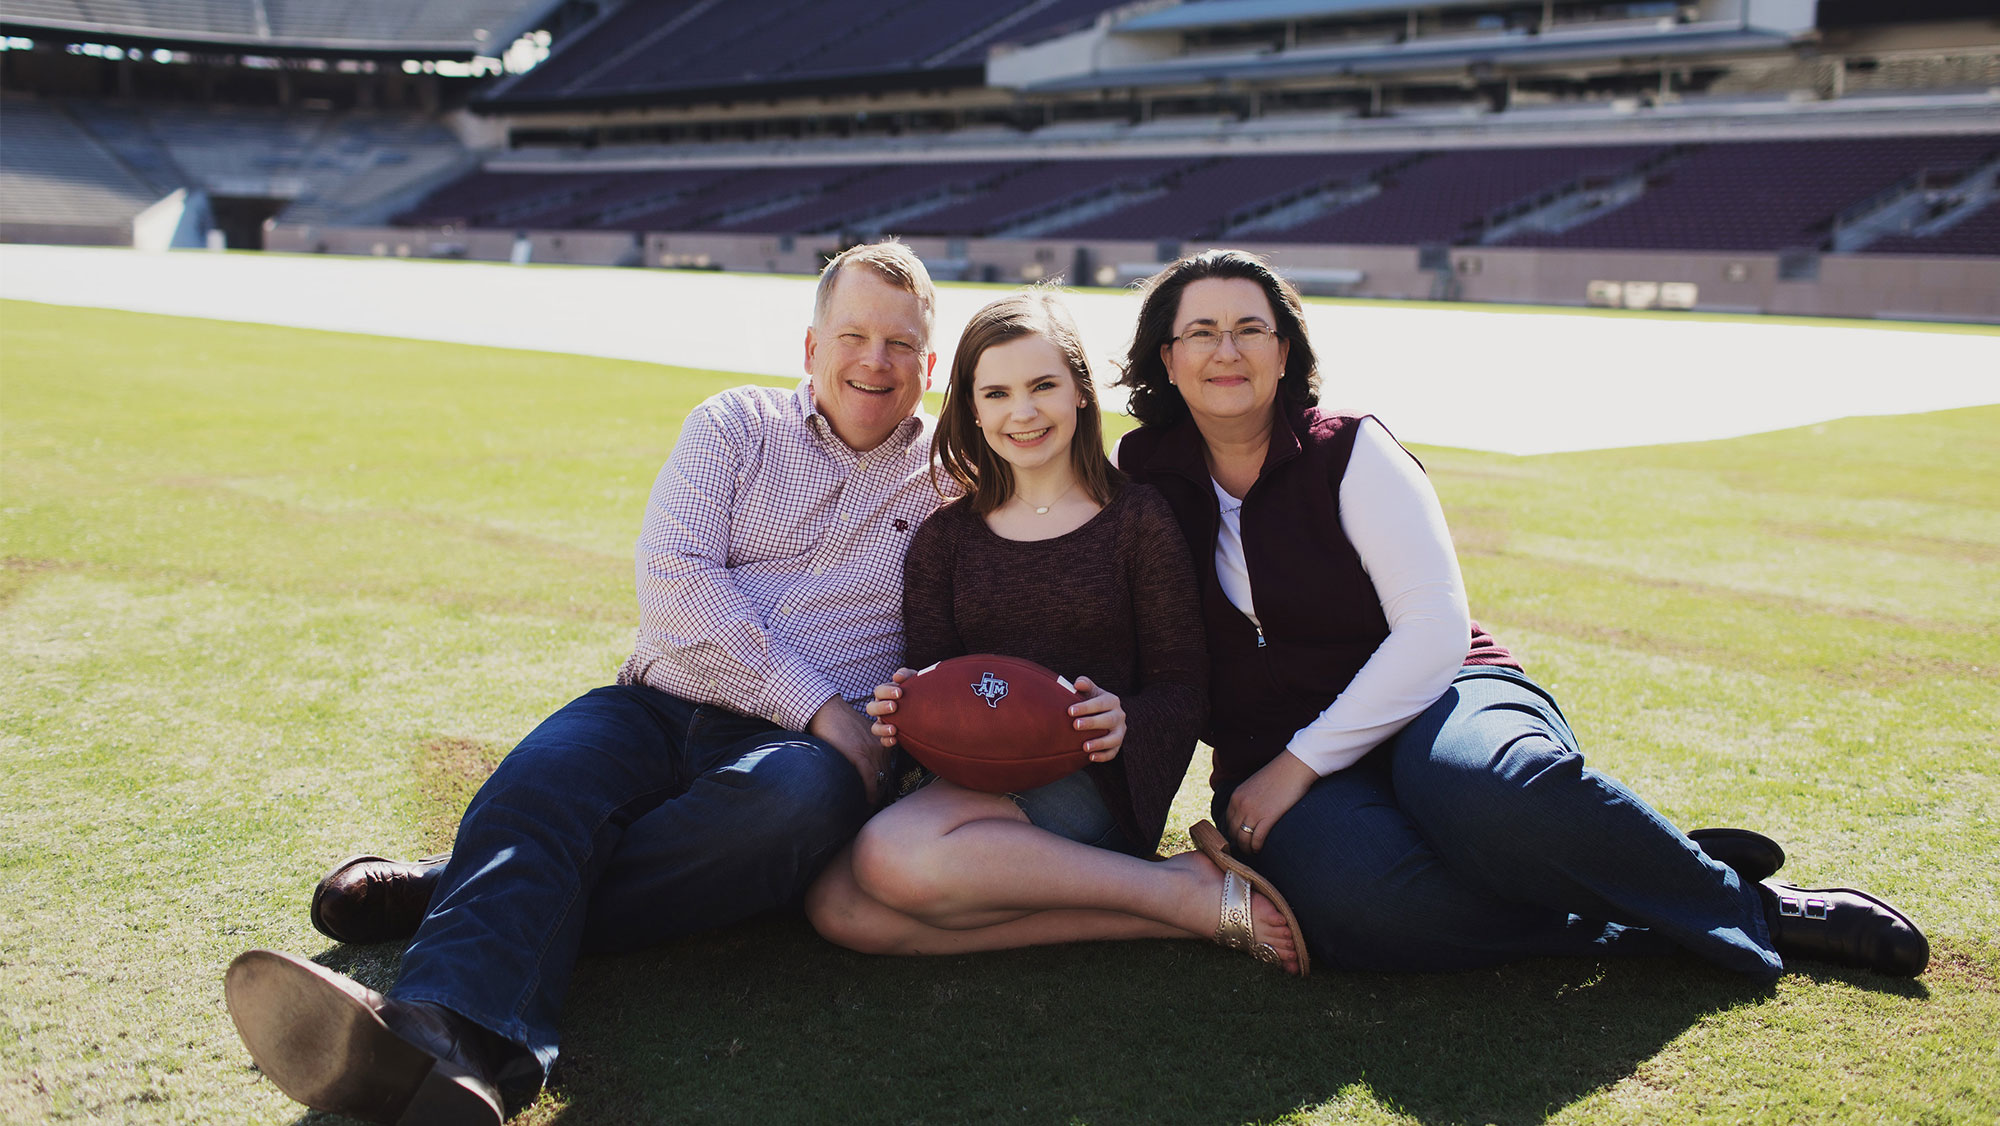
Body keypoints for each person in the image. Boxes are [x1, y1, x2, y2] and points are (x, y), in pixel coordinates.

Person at [224, 241, 949, 1125]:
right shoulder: (734, 424)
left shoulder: (955, 482)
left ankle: (457, 886)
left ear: (930, 362)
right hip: (657, 703)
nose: (875, 361)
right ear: (809, 347)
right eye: (855, 335)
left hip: (797, 760)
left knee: (794, 805)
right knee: (542, 783)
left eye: (901, 344)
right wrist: (822, 704)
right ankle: (444, 1042)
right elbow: (678, 584)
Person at [1112, 248, 1929, 979]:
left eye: (1251, 328)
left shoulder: (1351, 451)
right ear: (1168, 359)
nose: (1228, 350)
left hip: (1438, 695)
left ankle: (1754, 907)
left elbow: (1431, 633)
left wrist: (1303, 763)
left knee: (1491, 794)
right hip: (1271, 742)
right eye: (1203, 332)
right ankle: (1634, 891)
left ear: (1284, 352)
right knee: (1370, 910)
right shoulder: (1143, 473)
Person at [804, 289, 1305, 973]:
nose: (1024, 411)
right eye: (999, 392)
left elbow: (1185, 685)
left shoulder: (1137, 521)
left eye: (1044, 385)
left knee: (890, 859)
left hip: (1095, 776)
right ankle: (1173, 901)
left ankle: (1152, 883)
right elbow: (935, 681)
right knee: (838, 906)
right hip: (975, 775)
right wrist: (906, 710)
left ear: (1078, 393)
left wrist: (1123, 718)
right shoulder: (943, 539)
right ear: (973, 408)